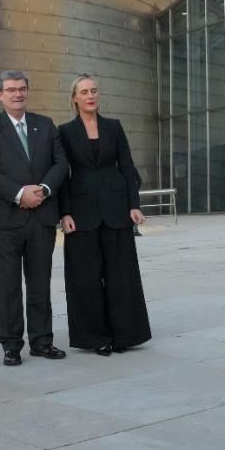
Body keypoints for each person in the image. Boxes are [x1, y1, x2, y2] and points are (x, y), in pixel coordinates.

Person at [0, 70, 68, 366]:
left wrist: (42, 189)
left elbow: (60, 163)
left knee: (40, 283)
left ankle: (42, 341)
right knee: (7, 286)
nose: (18, 94)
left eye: (22, 89)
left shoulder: (45, 124)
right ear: (0, 94)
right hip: (4, 220)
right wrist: (19, 194)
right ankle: (11, 345)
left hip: (41, 218)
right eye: (12, 89)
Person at [58, 75, 151, 356]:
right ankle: (95, 337)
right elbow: (62, 174)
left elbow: (127, 165)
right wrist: (64, 212)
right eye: (84, 92)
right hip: (81, 212)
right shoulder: (63, 131)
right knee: (84, 278)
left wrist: (134, 205)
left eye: (94, 90)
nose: (90, 95)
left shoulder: (114, 127)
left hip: (116, 208)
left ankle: (125, 334)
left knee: (122, 275)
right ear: (74, 98)